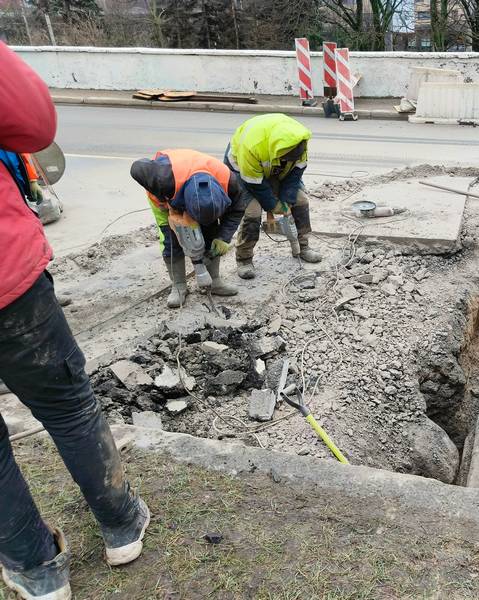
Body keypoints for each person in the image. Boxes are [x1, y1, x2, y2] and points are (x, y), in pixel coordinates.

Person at [0, 42, 149, 600]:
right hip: (7, 278)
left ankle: (37, 571)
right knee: (68, 406)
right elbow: (34, 122)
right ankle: (122, 525)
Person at [130, 149, 247, 308]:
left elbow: (238, 209)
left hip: (194, 184)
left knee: (211, 233)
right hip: (167, 199)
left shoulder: (229, 181)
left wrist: (223, 238)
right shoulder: (162, 180)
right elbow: (138, 167)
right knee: (171, 241)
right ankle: (179, 286)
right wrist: (168, 207)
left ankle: (214, 281)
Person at [224, 113, 322, 280]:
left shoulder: (300, 143)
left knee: (301, 201)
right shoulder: (252, 147)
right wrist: (272, 205)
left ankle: (302, 246)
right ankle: (244, 258)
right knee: (253, 212)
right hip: (244, 171)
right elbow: (254, 183)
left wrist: (286, 201)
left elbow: (294, 175)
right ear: (278, 151)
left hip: (277, 170)